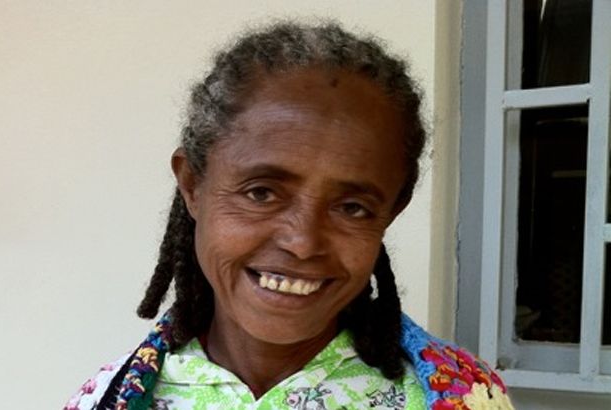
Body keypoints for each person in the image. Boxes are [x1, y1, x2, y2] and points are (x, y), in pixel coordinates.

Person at [65, 21, 514, 410]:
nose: (302, 241)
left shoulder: (461, 398)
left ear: (391, 211)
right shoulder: (109, 397)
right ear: (192, 185)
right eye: (261, 193)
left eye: (352, 207)